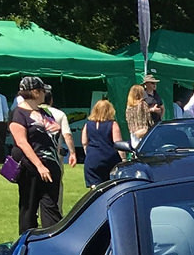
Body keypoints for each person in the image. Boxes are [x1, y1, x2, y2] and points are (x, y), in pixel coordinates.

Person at [8, 76, 67, 232]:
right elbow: (21, 142)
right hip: (32, 167)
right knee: (29, 207)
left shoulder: (43, 111)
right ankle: (27, 243)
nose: (44, 94)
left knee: (51, 207)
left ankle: (52, 241)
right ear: (34, 92)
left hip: (51, 165)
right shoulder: (19, 113)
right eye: (42, 91)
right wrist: (39, 165)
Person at [79, 98, 124, 187]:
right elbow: (118, 144)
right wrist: (123, 159)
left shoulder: (87, 124)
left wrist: (89, 154)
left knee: (95, 190)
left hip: (92, 160)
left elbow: (84, 142)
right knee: (110, 187)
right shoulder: (113, 124)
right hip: (109, 160)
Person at [125, 82, 154, 149]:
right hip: (143, 133)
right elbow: (149, 120)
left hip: (133, 133)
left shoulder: (129, 107)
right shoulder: (142, 104)